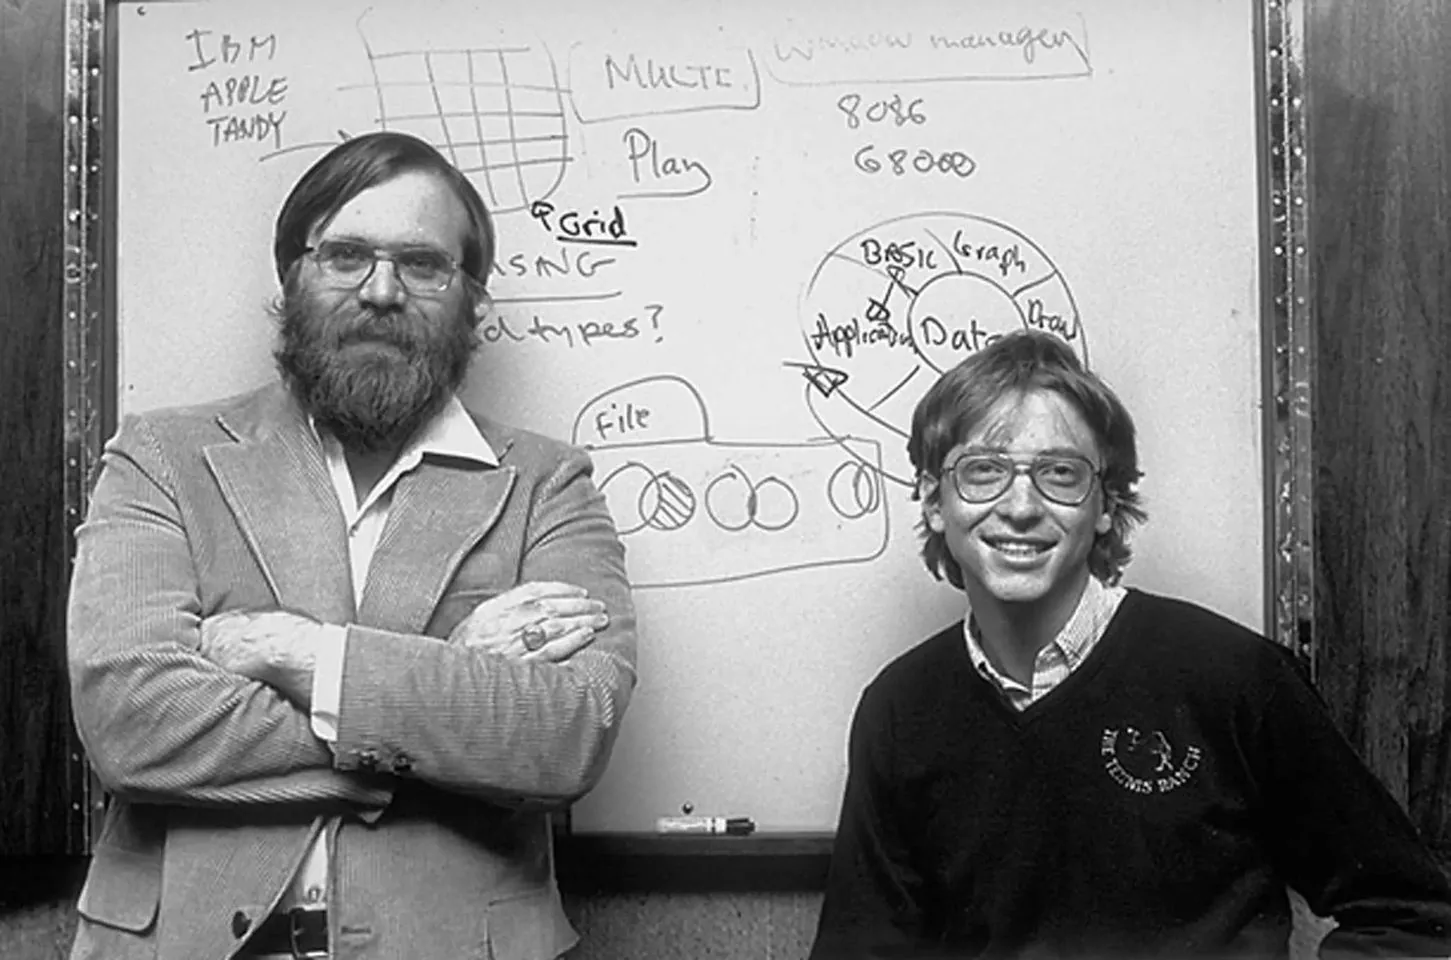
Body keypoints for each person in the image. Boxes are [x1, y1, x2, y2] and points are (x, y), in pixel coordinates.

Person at [66, 130, 637, 960]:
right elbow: (131, 723)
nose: (381, 290)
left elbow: (567, 731)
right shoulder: (162, 458)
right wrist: (437, 689)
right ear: (291, 276)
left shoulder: (547, 483)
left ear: (472, 298)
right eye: (345, 255)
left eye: (422, 263)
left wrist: (297, 654)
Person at [810, 330, 1451, 959]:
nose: (1022, 507)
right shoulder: (900, 709)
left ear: (1108, 505)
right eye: (984, 471)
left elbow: (1413, 917)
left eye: (1060, 473)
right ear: (932, 501)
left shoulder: (1232, 678)